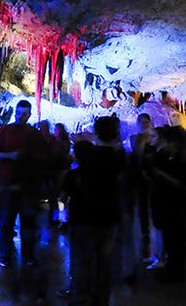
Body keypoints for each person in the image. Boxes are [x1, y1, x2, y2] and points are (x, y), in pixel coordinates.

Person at [66, 115, 127, 306]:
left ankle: (81, 298)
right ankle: (102, 299)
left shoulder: (89, 155)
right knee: (105, 261)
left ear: (96, 132)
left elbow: (74, 176)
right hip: (110, 215)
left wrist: (80, 142)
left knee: (83, 260)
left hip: (85, 214)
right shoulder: (120, 157)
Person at [0, 99, 46, 268]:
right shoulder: (5, 131)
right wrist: (10, 156)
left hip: (28, 185)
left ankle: (27, 254)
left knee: (27, 222)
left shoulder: (34, 134)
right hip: (9, 184)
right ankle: (5, 255)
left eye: (24, 114)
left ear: (29, 115)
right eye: (18, 113)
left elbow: (44, 157)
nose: (20, 116)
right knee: (7, 221)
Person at [148, 125, 186, 282]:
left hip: (176, 204)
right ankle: (173, 267)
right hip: (167, 204)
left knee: (176, 238)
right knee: (171, 238)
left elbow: (181, 183)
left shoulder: (180, 160)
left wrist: (161, 174)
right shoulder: (165, 157)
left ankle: (177, 271)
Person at [129, 113, 157, 266]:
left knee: (153, 204)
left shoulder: (155, 136)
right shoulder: (135, 137)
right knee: (142, 206)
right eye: (142, 122)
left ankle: (154, 230)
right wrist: (144, 138)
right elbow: (138, 153)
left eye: (147, 122)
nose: (145, 124)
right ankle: (145, 232)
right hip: (140, 177)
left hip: (153, 177)